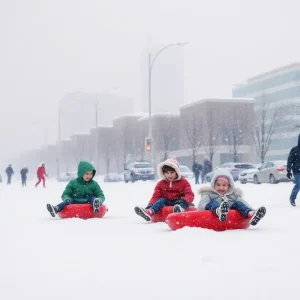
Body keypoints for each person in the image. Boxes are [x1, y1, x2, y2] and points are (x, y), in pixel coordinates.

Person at [197, 169, 266, 226]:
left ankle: (251, 214)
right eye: (218, 185)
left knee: (238, 203)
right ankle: (219, 210)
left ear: (229, 186)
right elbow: (201, 205)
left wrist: (251, 209)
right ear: (213, 185)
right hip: (213, 213)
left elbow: (242, 202)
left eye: (224, 185)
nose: (221, 188)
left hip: (230, 214)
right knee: (212, 203)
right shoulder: (208, 193)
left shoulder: (233, 194)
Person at [134, 157, 194, 221]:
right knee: (161, 200)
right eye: (167, 173)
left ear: (176, 172)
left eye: (172, 172)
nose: (169, 175)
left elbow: (189, 194)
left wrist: (186, 200)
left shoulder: (183, 182)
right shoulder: (161, 184)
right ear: (163, 173)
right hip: (167, 201)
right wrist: (150, 206)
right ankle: (150, 212)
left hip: (179, 201)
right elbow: (155, 196)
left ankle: (179, 209)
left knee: (183, 202)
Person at [287, 133, 300, 206]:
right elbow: (289, 161)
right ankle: (292, 198)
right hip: (297, 171)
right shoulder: (294, 150)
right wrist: (288, 171)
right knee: (299, 184)